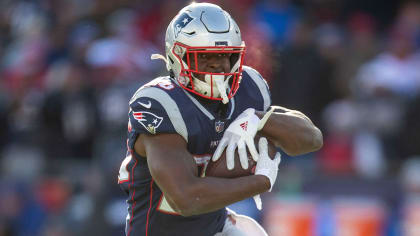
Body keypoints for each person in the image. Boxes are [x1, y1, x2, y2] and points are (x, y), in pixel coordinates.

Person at [118, 2, 323, 236]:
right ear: (178, 56)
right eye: (205, 57)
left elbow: (312, 139)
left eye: (225, 56)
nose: (218, 66)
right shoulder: (160, 103)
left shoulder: (248, 88)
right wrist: (261, 181)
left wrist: (259, 119)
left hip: (216, 227)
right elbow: (186, 198)